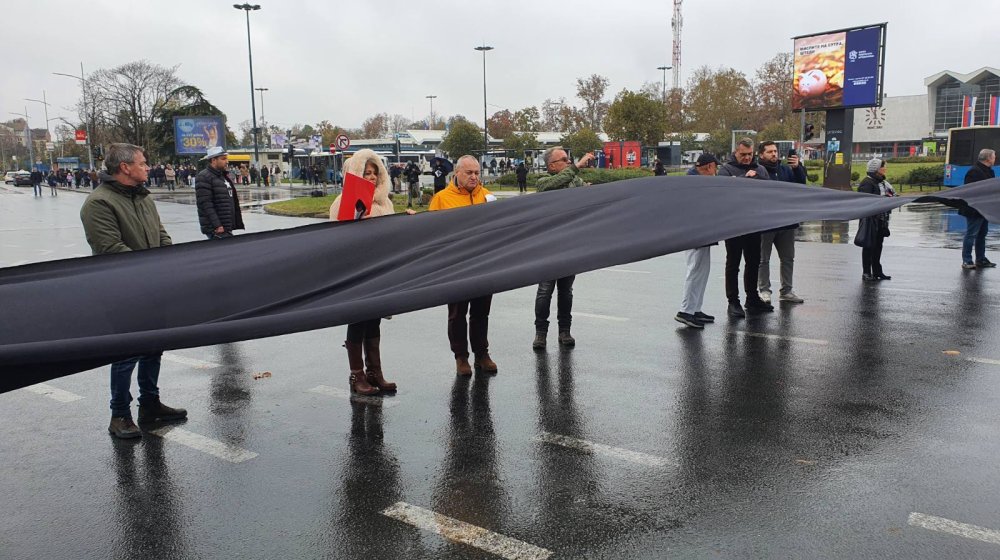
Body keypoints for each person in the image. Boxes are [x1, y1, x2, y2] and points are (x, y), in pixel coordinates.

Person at [79, 143, 186, 439]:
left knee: (154, 346)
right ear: (125, 167)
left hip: (153, 285)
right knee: (127, 353)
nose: (147, 166)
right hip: (123, 291)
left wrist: (169, 263)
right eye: (142, 163)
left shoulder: (143, 197)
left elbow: (161, 233)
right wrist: (151, 273)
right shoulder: (99, 203)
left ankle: (150, 403)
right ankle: (119, 414)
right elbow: (111, 249)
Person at [329, 149, 415, 395]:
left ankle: (374, 372)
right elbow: (339, 238)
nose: (371, 178)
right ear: (355, 173)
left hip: (379, 271)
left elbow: (390, 234)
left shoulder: (385, 202)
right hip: (356, 272)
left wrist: (405, 219)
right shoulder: (342, 202)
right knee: (357, 320)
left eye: (375, 173)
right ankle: (356, 375)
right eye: (366, 173)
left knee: (373, 321)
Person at [429, 155, 498, 375]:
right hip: (456, 266)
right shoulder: (441, 198)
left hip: (484, 264)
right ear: (457, 173)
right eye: (469, 173)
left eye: (477, 173)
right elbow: (429, 233)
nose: (474, 177)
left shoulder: (488, 196)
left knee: (481, 312)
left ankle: (482, 353)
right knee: (457, 314)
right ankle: (461, 356)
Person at [532, 146, 595, 349]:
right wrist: (577, 166)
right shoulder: (543, 182)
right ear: (551, 166)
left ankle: (564, 331)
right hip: (548, 245)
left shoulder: (574, 181)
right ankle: (540, 333)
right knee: (545, 291)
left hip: (570, 243)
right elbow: (556, 183)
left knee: (566, 291)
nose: (568, 162)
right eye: (564, 160)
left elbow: (583, 193)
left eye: (569, 160)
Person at [718, 138, 773, 318]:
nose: (747, 158)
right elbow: (722, 191)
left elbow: (770, 192)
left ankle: (752, 297)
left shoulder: (760, 169)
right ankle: (733, 301)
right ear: (736, 152)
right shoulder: (726, 169)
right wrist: (742, 179)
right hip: (733, 223)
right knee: (733, 263)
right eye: (743, 154)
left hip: (753, 222)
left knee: (753, 261)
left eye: (750, 154)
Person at [756, 141, 807, 304]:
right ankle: (764, 289)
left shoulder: (785, 169)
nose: (774, 154)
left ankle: (787, 290)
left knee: (788, 258)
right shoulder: (758, 171)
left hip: (786, 221)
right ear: (761, 154)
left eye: (775, 151)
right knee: (763, 259)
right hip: (765, 223)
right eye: (770, 152)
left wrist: (798, 168)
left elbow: (801, 185)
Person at [675, 153, 720, 328]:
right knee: (695, 271)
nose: (716, 171)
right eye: (715, 167)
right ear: (709, 167)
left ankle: (695, 309)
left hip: (702, 232)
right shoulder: (694, 183)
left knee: (702, 271)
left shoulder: (698, 180)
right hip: (694, 233)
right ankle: (685, 311)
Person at [196, 146, 245, 239]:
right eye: (223, 159)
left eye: (226, 158)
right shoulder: (204, 177)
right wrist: (217, 225)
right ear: (213, 160)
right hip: (217, 229)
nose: (227, 161)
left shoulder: (222, 175)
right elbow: (206, 204)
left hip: (226, 226)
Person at [857, 158, 893, 281]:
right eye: (883, 167)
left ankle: (877, 271)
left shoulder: (882, 182)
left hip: (881, 219)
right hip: (870, 220)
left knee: (878, 246)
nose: (885, 169)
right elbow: (864, 201)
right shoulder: (867, 183)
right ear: (876, 169)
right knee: (868, 246)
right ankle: (866, 272)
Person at [960, 148, 997, 269]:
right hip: (974, 209)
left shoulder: (989, 171)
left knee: (982, 234)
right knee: (971, 234)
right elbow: (970, 191)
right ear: (988, 158)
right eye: (993, 156)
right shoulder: (974, 171)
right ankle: (967, 260)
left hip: (984, 209)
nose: (995, 158)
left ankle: (981, 259)